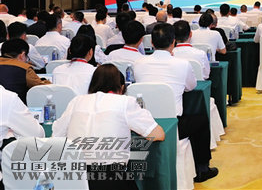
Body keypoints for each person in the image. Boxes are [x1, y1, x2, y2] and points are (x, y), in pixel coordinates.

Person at [53, 64, 165, 189]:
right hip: (110, 178)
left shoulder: (76, 101)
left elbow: (56, 135)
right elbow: (158, 134)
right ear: (121, 87)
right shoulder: (124, 102)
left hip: (73, 178)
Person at [134, 24, 217, 182]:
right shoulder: (182, 64)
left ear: (152, 42)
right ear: (173, 42)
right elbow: (191, 86)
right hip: (175, 125)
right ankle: (202, 169)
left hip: (144, 124)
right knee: (201, 120)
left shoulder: (138, 63)